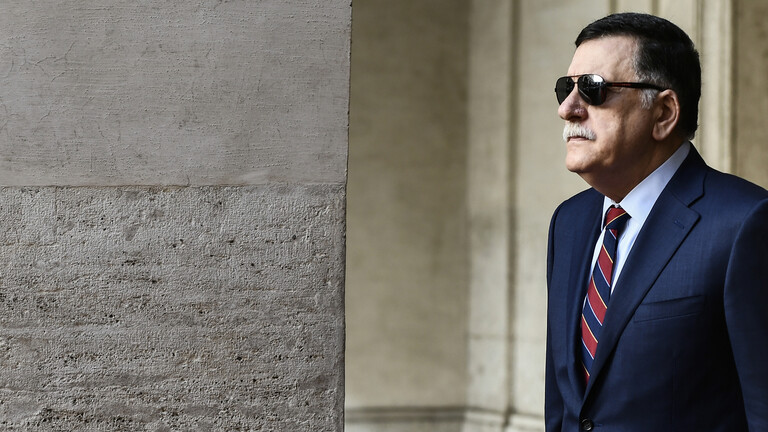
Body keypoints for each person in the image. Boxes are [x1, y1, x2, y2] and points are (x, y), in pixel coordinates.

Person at [545, 12, 768, 431]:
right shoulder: (568, 224)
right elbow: (564, 406)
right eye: (565, 88)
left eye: (593, 88)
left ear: (664, 112)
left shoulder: (746, 224)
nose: (567, 109)